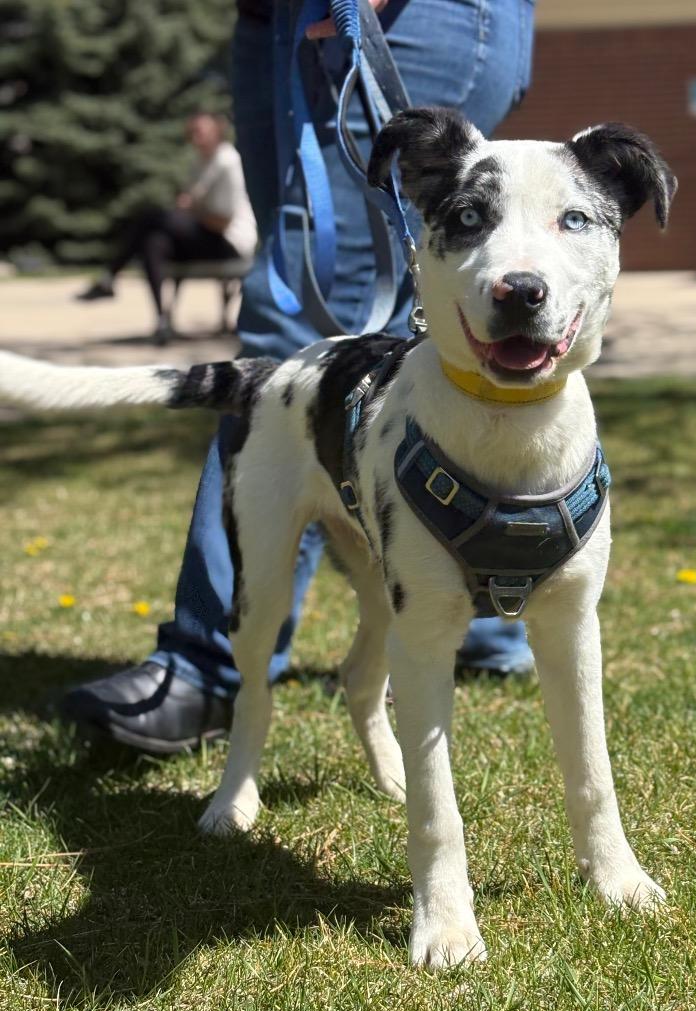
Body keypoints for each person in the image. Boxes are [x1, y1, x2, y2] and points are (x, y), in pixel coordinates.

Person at [58, 0, 536, 755]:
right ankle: (483, 616)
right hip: (272, 20)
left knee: (298, 328)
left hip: (403, 14)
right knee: (418, 333)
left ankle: (209, 665)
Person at [77, 113, 258, 345]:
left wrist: (188, 210)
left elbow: (222, 221)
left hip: (230, 242)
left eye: (201, 131)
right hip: (204, 236)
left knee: (152, 218)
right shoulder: (200, 162)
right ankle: (161, 320)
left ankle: (110, 276)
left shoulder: (227, 161)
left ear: (217, 132)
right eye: (192, 132)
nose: (195, 137)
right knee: (154, 241)